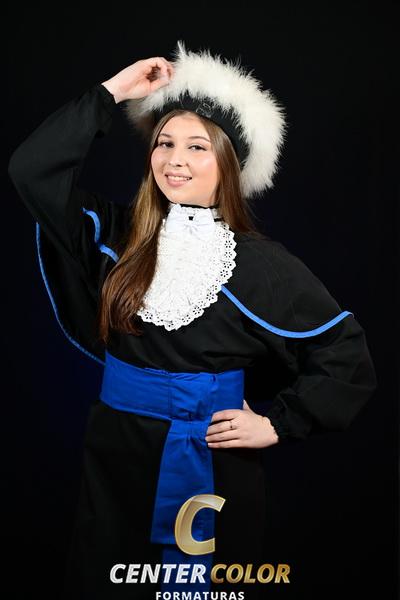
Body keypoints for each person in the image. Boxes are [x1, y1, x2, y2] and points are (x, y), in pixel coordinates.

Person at [8, 40, 377, 599]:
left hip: (211, 460)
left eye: (197, 147)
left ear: (229, 162)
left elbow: (345, 354)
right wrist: (113, 93)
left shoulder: (262, 266)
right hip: (116, 454)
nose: (174, 160)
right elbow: (31, 170)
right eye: (164, 143)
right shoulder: (115, 235)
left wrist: (278, 423)